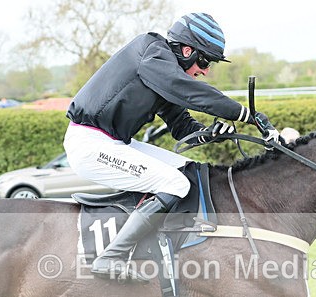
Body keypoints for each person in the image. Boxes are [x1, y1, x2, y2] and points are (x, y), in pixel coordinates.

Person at [64, 12, 279, 281]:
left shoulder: (161, 74)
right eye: (205, 61)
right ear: (187, 51)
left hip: (113, 142)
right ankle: (112, 256)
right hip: (90, 144)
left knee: (188, 171)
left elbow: (181, 126)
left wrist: (211, 132)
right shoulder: (151, 52)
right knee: (175, 184)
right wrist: (244, 114)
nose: (205, 71)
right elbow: (187, 89)